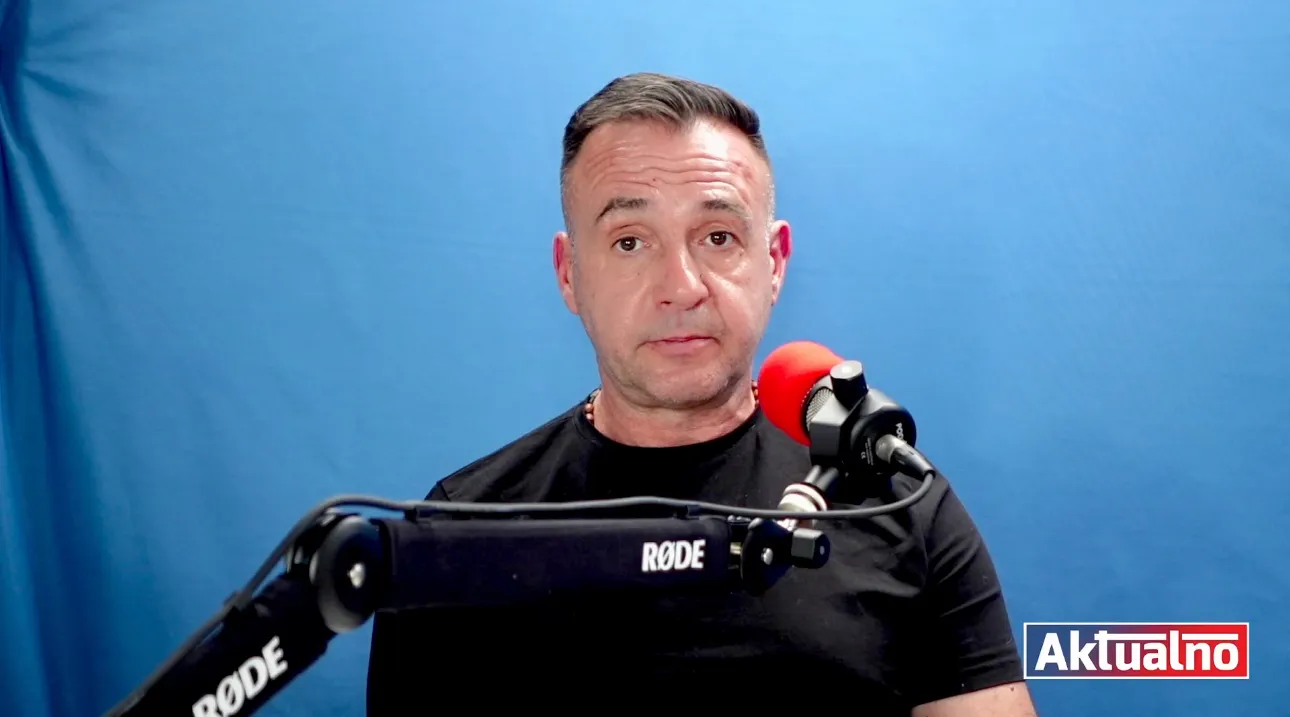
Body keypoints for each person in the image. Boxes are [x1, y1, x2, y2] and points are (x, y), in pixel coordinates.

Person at [366, 72, 1037, 715]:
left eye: (718, 237)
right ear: (569, 274)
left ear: (774, 262)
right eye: (631, 242)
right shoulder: (459, 533)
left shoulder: (898, 503)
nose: (681, 286)